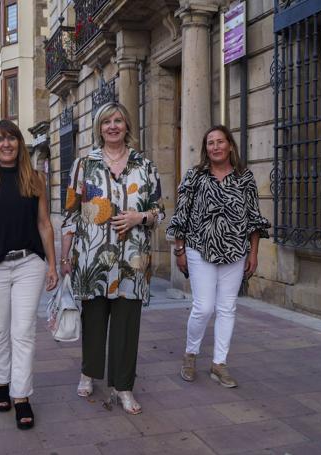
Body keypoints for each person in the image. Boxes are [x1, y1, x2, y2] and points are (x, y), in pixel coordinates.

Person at [60, 102, 165, 415]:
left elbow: (159, 212)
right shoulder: (83, 165)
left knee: (127, 324)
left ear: (126, 125)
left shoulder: (144, 166)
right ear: (99, 127)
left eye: (118, 120)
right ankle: (88, 371)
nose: (113, 126)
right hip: (91, 257)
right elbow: (70, 213)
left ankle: (124, 386)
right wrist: (64, 257)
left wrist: (139, 217)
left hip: (132, 260)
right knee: (93, 320)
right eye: (107, 121)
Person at [0, 119, 58, 430]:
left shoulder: (34, 179)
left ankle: (21, 396)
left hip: (29, 263)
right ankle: (1, 382)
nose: (7, 144)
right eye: (0, 140)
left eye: (12, 138)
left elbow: (44, 224)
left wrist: (53, 265)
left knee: (24, 331)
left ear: (20, 143)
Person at [166, 124, 270, 388]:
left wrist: (254, 253)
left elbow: (253, 220)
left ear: (230, 145)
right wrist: (180, 250)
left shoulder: (244, 178)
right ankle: (190, 354)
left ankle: (219, 363)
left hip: (235, 251)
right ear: (206, 149)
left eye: (220, 142)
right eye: (210, 143)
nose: (215, 147)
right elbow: (181, 216)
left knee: (227, 308)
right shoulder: (195, 176)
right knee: (203, 307)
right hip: (200, 249)